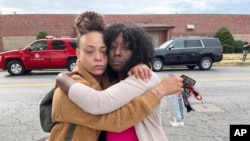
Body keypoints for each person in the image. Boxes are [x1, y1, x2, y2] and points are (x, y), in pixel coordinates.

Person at [50, 11, 183, 141]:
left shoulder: (140, 76)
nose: (117, 53)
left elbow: (104, 106)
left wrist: (144, 66)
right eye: (112, 47)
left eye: (125, 48)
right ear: (78, 54)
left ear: (137, 52)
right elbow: (110, 117)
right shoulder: (72, 89)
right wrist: (61, 77)